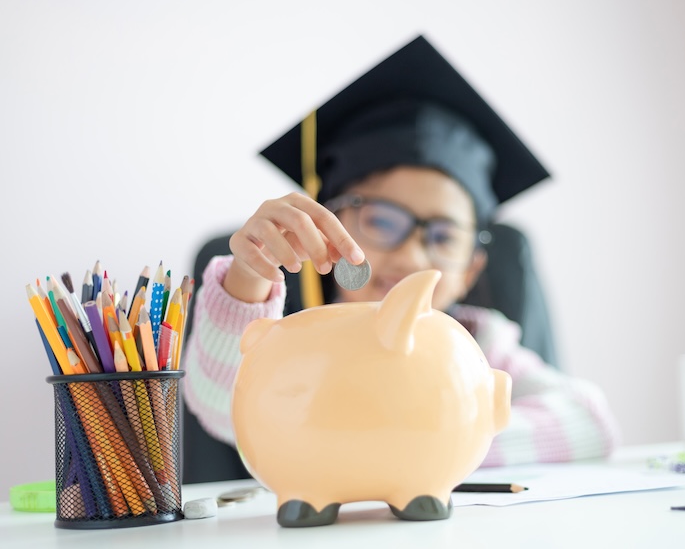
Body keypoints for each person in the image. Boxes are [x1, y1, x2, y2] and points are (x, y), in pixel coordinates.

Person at [181, 35, 620, 483]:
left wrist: (432, 438)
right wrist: (248, 279)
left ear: (470, 270)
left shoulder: (477, 344)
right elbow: (222, 409)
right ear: (330, 227)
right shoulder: (293, 340)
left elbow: (588, 423)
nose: (411, 255)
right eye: (382, 220)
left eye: (443, 235)